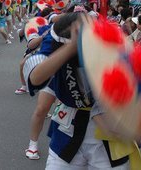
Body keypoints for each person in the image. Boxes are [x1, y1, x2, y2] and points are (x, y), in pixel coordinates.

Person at [24, 13, 131, 169]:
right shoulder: (55, 38)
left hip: (109, 135)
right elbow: (35, 77)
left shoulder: (112, 48)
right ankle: (32, 143)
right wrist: (72, 47)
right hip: (67, 130)